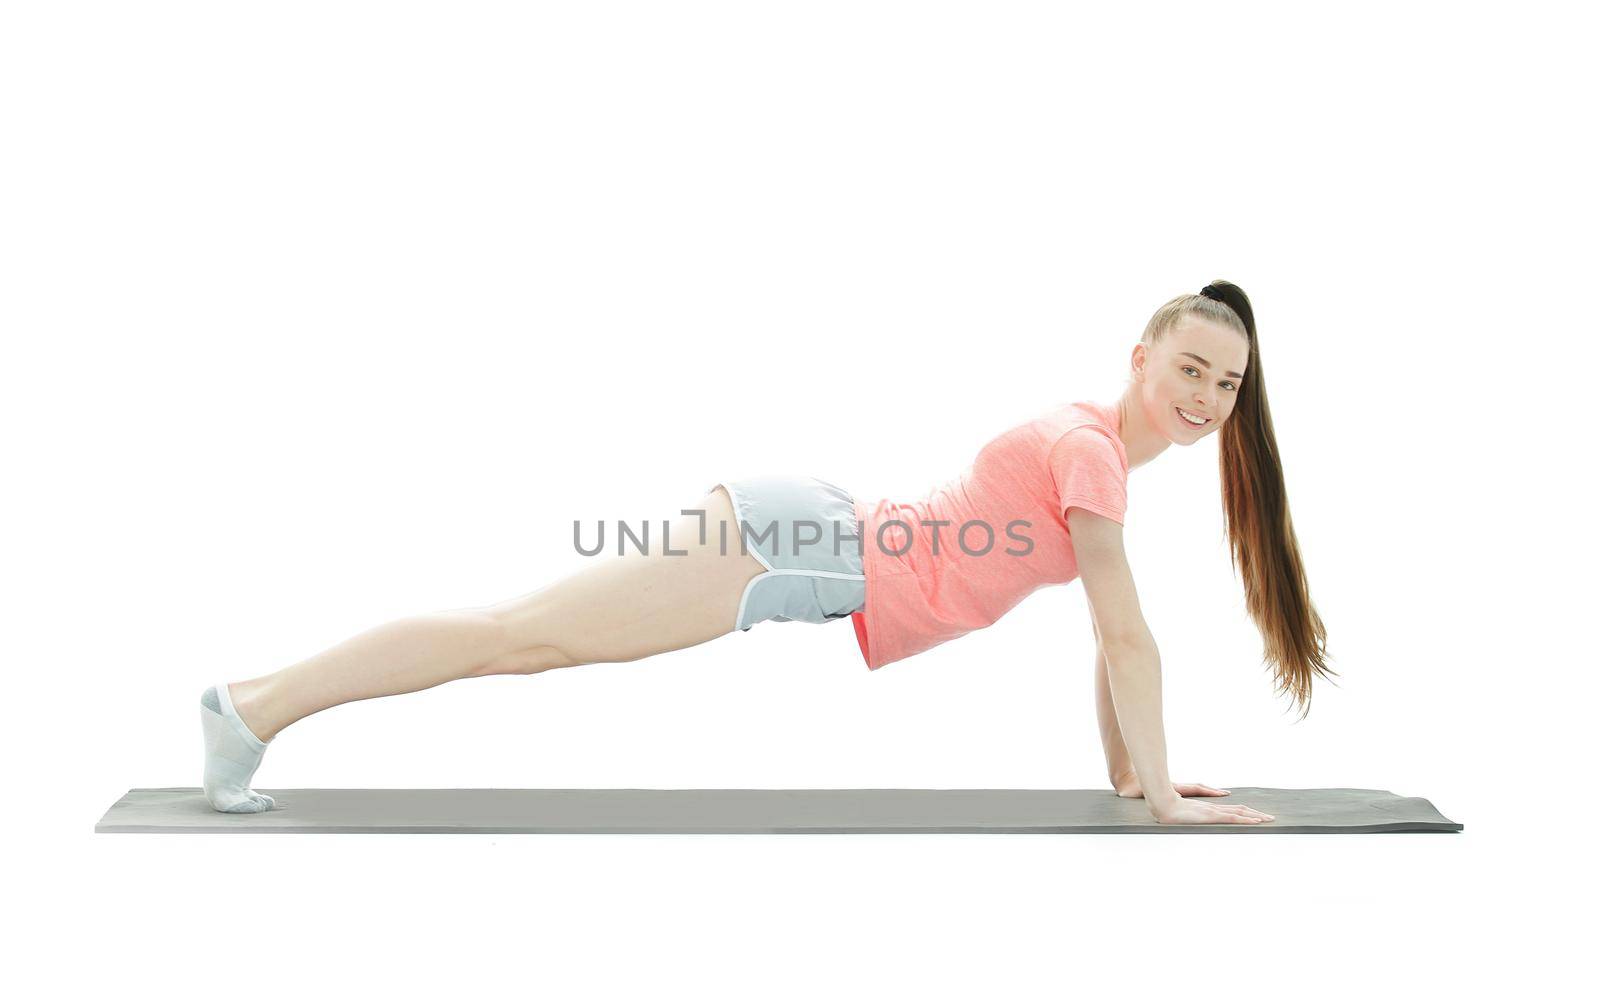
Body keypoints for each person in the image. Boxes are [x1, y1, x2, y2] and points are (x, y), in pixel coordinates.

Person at [199, 280, 1333, 825]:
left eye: (1226, 384)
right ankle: (253, 708)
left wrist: (1136, 772)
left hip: (803, 532)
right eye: (1190, 367)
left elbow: (1107, 630)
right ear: (1142, 356)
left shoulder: (1100, 457)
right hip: (789, 541)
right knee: (520, 638)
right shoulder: (1092, 455)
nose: (1206, 396)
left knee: (523, 641)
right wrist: (1168, 804)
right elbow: (1127, 631)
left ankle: (253, 708)